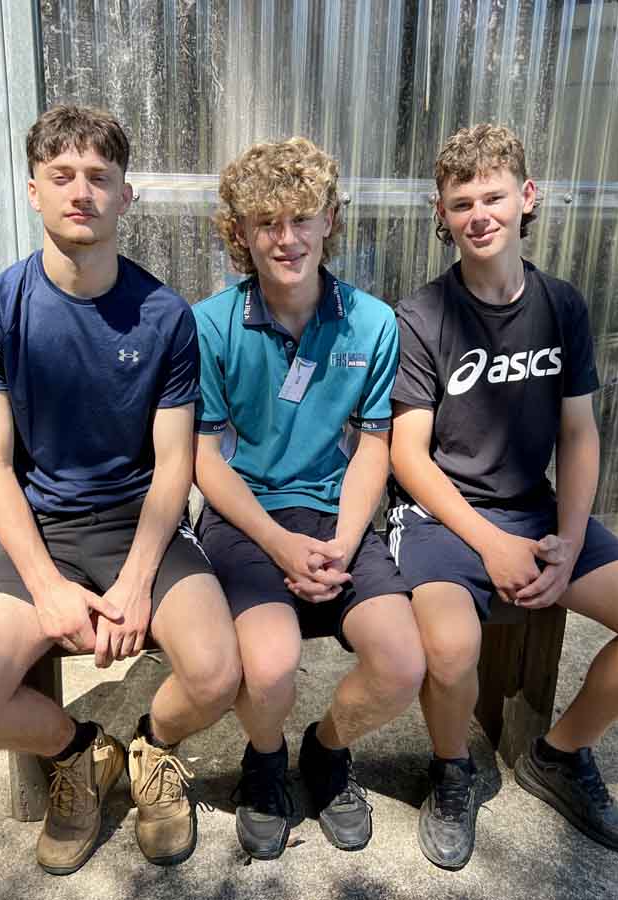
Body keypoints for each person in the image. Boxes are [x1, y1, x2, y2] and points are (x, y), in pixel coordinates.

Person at [0, 105, 241, 874]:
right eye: (62, 175)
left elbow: (173, 466)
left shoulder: (164, 315)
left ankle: (153, 747)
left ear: (124, 195)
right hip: (43, 527)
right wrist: (46, 589)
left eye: (100, 177)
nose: (81, 192)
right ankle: (80, 753)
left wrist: (136, 583)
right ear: (32, 190)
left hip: (143, 523)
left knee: (217, 674)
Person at [388, 124, 618, 869]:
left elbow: (580, 433)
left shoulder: (562, 305)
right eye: (462, 203)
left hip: (534, 508)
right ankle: (452, 771)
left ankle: (558, 754)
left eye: (493, 197)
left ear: (526, 197)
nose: (479, 215)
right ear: (442, 213)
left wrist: (568, 540)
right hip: (440, 517)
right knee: (450, 646)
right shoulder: (422, 316)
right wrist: (491, 544)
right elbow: (408, 457)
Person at [192, 137, 426, 861]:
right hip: (246, 516)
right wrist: (278, 543)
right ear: (241, 231)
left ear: (330, 220)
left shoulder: (372, 322)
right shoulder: (212, 323)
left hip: (335, 513)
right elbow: (205, 459)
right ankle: (265, 759)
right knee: (268, 666)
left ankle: (326, 750)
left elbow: (375, 445)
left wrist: (346, 541)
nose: (285, 238)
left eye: (301, 218)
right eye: (266, 222)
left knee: (401, 665)